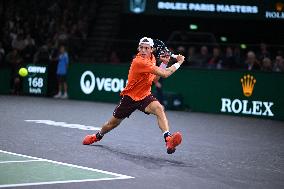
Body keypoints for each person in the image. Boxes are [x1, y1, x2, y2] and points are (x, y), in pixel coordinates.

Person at [83, 37, 185, 154]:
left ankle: (168, 139)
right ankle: (97, 136)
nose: (143, 50)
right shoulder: (139, 61)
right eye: (141, 47)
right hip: (129, 98)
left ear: (151, 50)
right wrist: (179, 62)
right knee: (112, 124)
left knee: (159, 108)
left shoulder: (152, 59)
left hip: (144, 96)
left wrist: (164, 63)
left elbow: (155, 80)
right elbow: (165, 74)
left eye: (146, 48)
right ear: (138, 48)